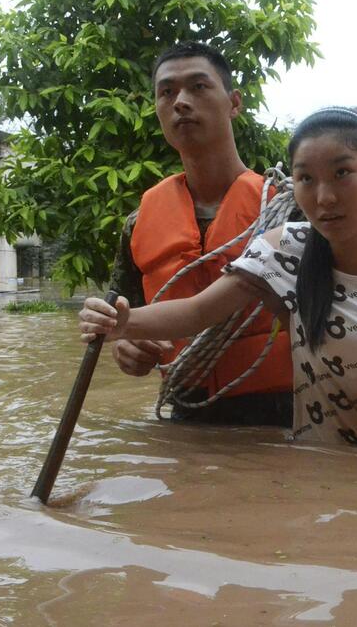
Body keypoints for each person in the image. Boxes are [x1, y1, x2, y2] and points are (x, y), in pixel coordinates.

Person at [83, 107, 357, 447]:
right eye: (306, 178)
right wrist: (122, 324)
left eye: (343, 173)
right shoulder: (284, 250)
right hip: (309, 470)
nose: (324, 197)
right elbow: (198, 312)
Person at [107, 41, 296, 425]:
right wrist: (125, 346)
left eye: (198, 86)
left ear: (234, 103)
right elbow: (123, 317)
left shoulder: (289, 211)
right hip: (185, 417)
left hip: (286, 421)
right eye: (166, 92)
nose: (180, 101)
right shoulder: (138, 222)